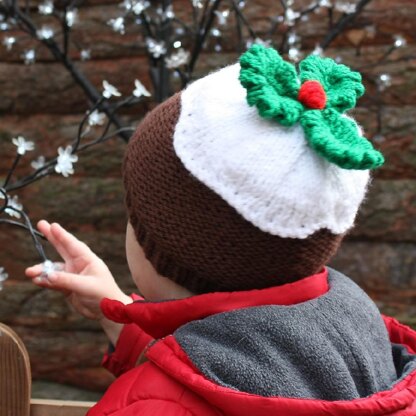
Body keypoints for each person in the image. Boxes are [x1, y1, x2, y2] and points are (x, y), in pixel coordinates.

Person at [25, 45, 416, 415]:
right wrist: (118, 318)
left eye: (136, 219)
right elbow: (230, 369)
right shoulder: (357, 334)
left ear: (163, 252)